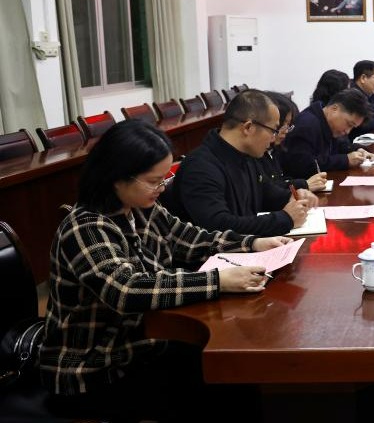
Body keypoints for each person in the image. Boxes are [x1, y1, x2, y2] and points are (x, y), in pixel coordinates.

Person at [40, 120, 290, 421]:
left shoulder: (141, 207)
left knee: (234, 371)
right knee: (221, 389)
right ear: (116, 176)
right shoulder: (86, 227)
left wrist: (252, 243)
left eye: (164, 179)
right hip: (95, 371)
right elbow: (128, 290)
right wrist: (217, 281)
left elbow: (189, 238)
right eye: (154, 181)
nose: (161, 189)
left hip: (142, 347)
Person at [164, 89, 317, 236]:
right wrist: (285, 219)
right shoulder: (200, 167)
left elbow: (264, 193)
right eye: (273, 130)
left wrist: (290, 197)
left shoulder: (246, 154)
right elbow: (218, 226)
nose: (273, 138)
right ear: (248, 127)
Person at [280, 88, 374, 177]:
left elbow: (339, 145)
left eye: (352, 127)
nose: (347, 131)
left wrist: (357, 150)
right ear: (334, 109)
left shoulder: (328, 122)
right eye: (349, 124)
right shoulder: (307, 125)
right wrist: (345, 160)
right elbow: (303, 165)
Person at [260, 91, 327, 192]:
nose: (286, 131)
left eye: (288, 125)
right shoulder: (257, 154)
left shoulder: (275, 150)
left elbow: (280, 180)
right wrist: (303, 184)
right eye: (281, 124)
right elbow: (267, 190)